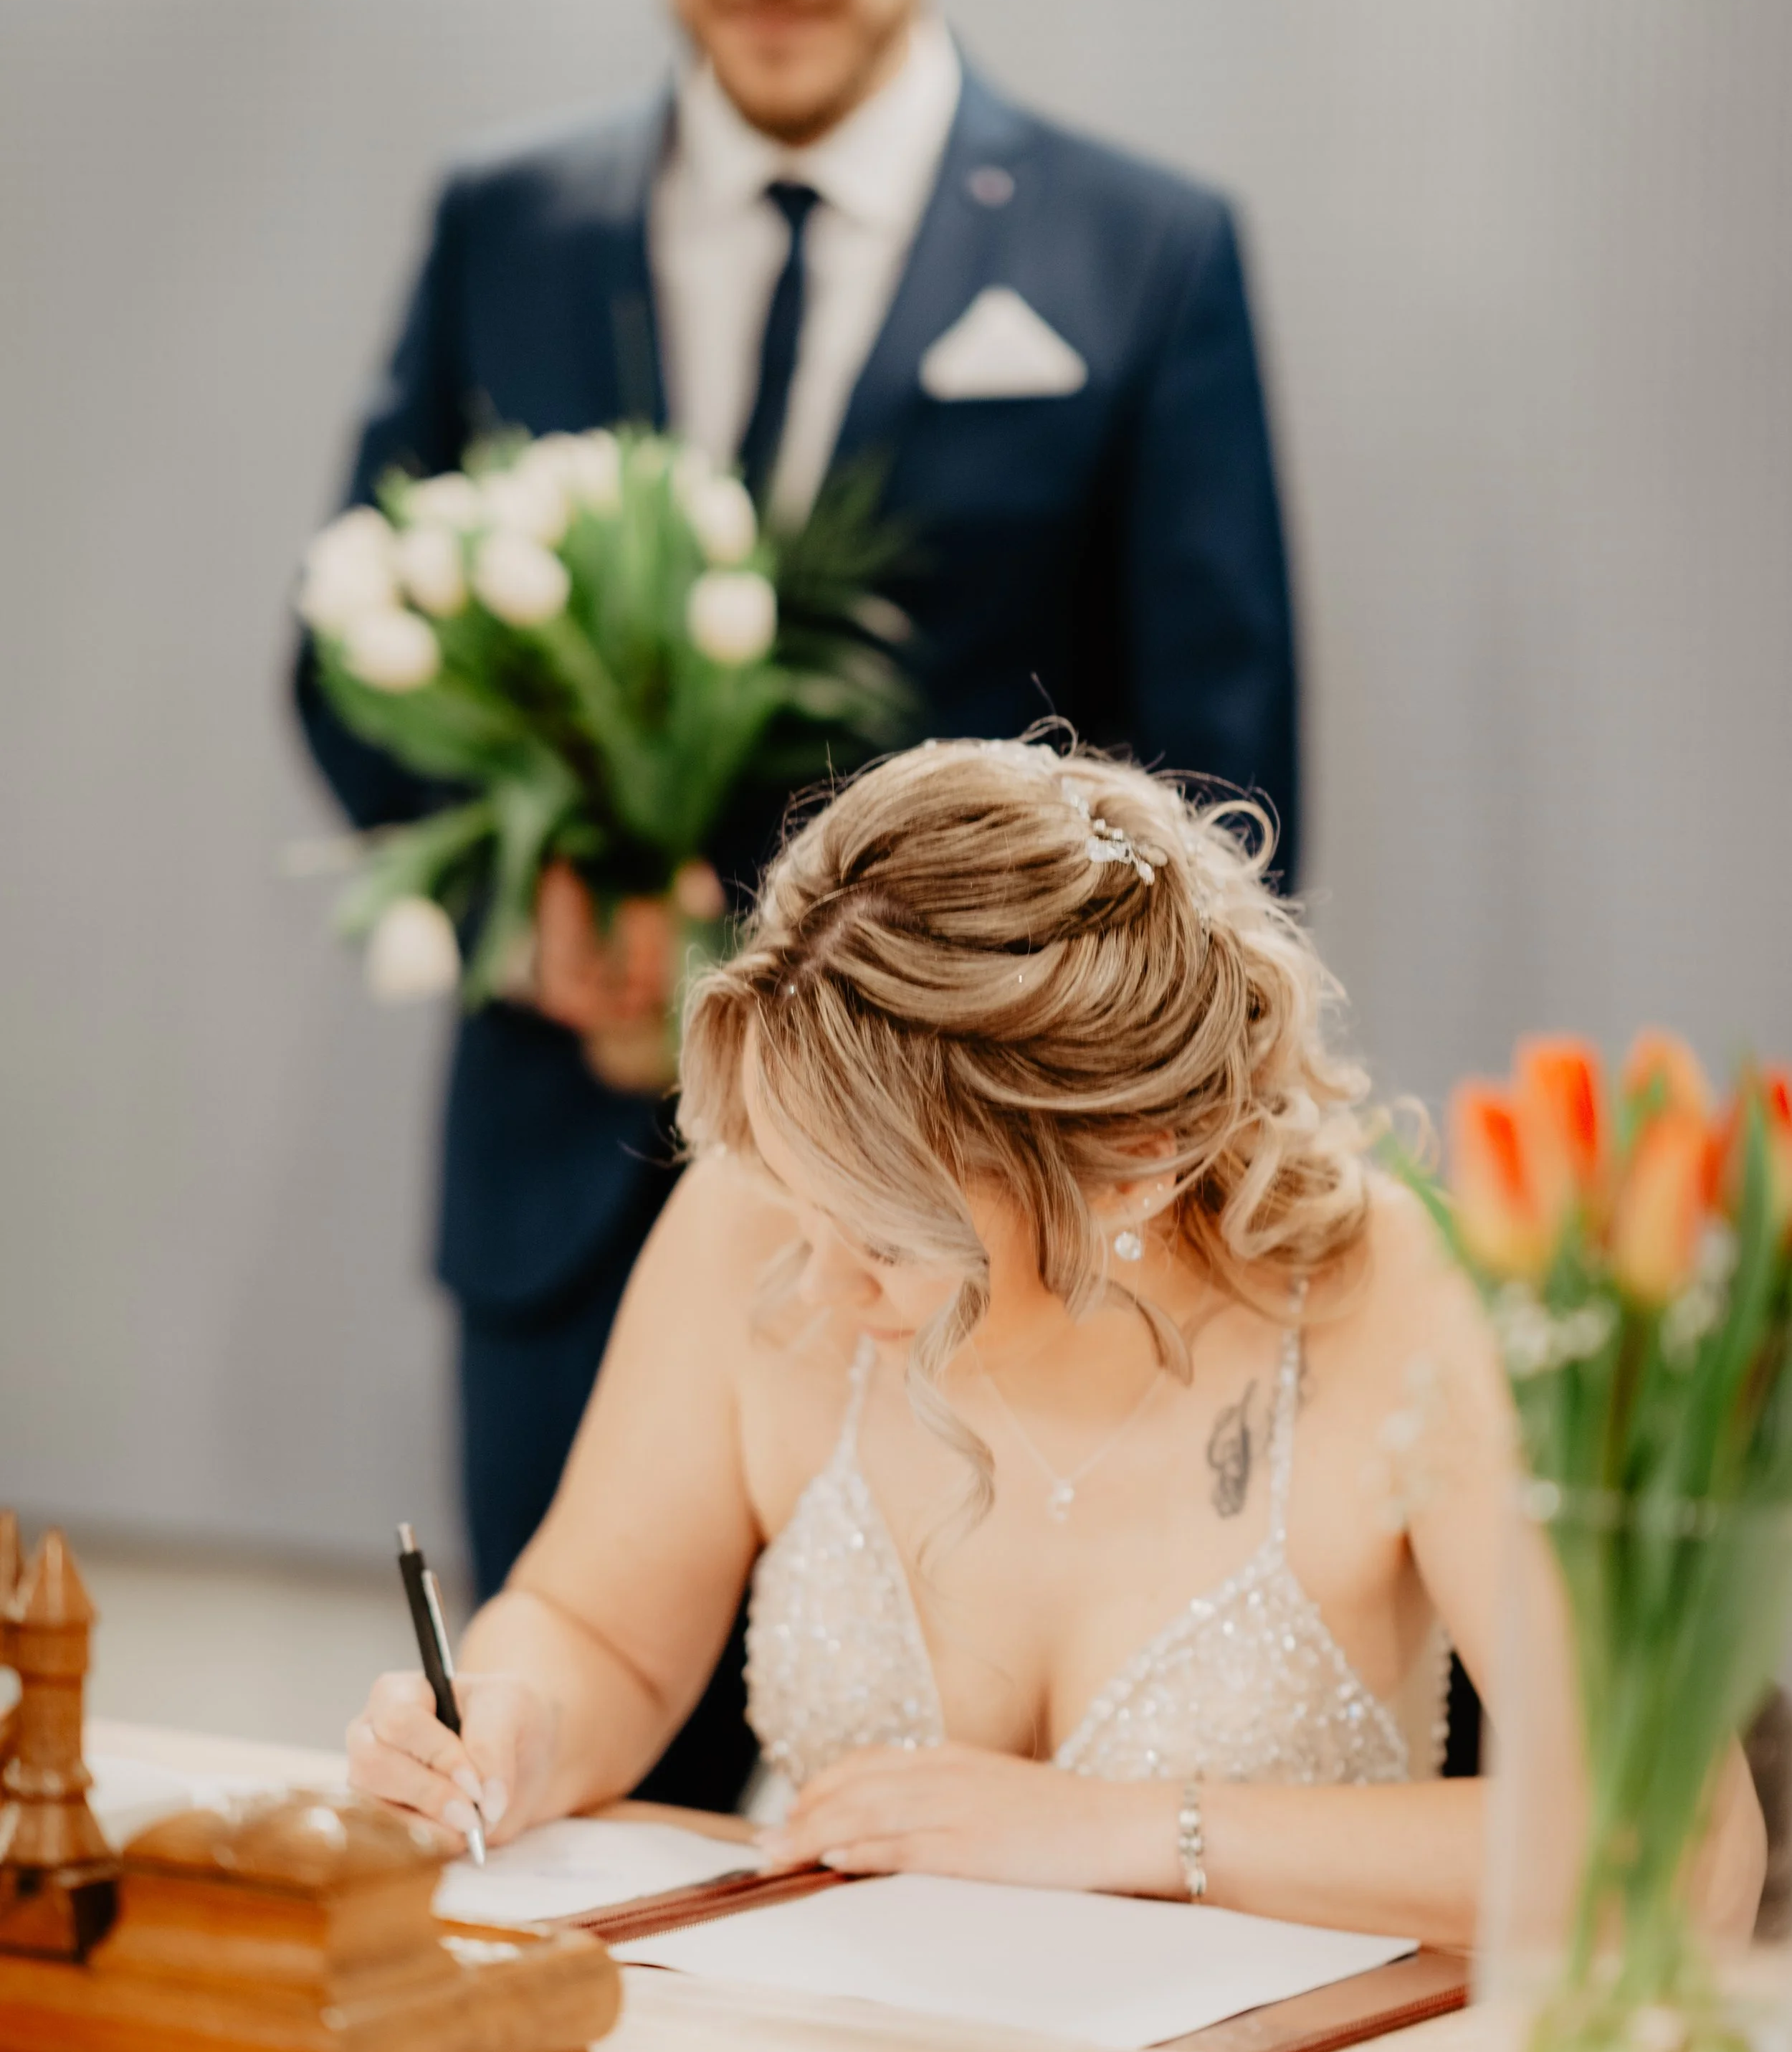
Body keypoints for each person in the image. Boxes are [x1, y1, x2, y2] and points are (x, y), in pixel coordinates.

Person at [296, 0, 1300, 1813]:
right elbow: (351, 647)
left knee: (932, 1822)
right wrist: (535, 914)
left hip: (988, 1227)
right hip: (565, 1179)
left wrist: (964, 1061)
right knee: (570, 1798)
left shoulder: (1138, 246)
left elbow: (1222, 771)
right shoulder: (506, 218)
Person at [345, 740, 1769, 1943]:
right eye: (795, 1190)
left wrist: (1126, 1834)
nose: (815, 1277)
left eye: (889, 1238)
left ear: (1134, 1163)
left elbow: (1679, 1854)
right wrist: (518, 1718)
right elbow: (603, 1630)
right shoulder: (757, 1221)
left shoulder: (1396, 1303)